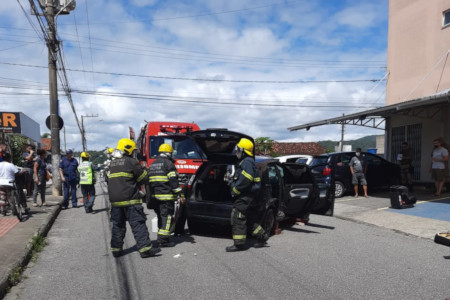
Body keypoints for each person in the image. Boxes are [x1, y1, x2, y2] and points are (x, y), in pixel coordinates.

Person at [108, 138, 160, 258]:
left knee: (118, 225)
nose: (134, 153)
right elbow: (143, 179)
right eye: (133, 151)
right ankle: (145, 249)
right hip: (130, 200)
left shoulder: (112, 163)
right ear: (129, 150)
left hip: (115, 202)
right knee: (138, 224)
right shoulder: (131, 162)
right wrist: (146, 171)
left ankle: (116, 249)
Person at [226, 138, 269, 252]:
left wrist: (235, 190)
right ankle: (262, 237)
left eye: (238, 149)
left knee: (237, 217)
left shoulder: (247, 162)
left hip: (245, 195)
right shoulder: (247, 162)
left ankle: (239, 244)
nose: (236, 152)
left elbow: (246, 179)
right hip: (249, 196)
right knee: (249, 220)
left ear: (243, 150)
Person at [149, 143, 184, 248]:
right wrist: (180, 194)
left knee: (161, 217)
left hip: (155, 197)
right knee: (167, 218)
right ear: (169, 153)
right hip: (166, 197)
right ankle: (163, 240)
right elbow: (173, 182)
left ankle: (161, 237)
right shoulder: (168, 164)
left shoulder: (153, 164)